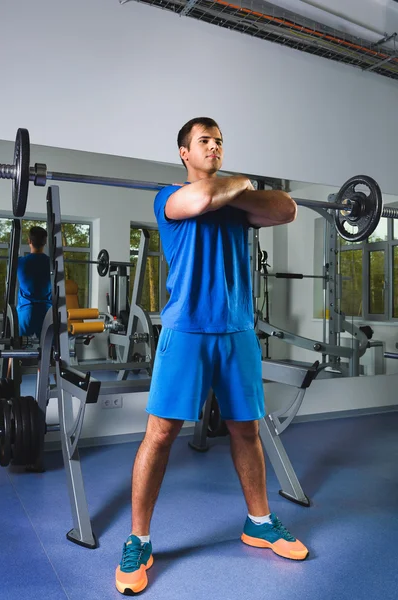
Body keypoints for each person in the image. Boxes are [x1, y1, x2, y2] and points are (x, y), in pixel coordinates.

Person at [115, 117, 308, 595]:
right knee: (160, 434)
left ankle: (258, 522)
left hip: (238, 330)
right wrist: (240, 185)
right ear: (184, 152)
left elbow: (287, 210)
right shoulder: (167, 198)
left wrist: (236, 191)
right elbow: (200, 198)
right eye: (205, 141)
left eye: (219, 142)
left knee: (247, 429)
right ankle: (139, 539)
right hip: (186, 331)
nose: (214, 147)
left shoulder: (236, 206)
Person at [17, 226, 52, 338]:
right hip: (46, 312)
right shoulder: (52, 264)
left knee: (17, 348)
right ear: (45, 242)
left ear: (29, 241)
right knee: (48, 349)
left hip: (26, 312)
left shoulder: (20, 263)